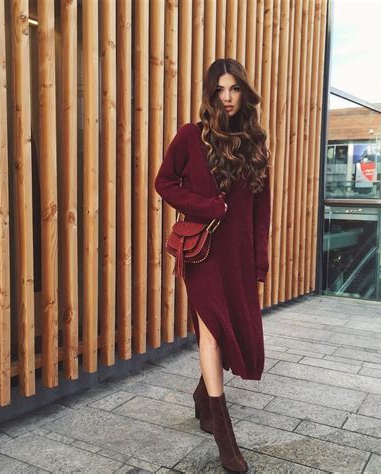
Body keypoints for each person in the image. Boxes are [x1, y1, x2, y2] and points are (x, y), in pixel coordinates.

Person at [154, 58, 271, 473]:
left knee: (234, 333)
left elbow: (261, 213)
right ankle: (225, 437)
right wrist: (206, 206)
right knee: (211, 331)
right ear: (210, 93)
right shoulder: (191, 136)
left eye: (234, 89)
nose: (227, 97)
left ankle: (203, 398)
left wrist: (260, 264)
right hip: (203, 253)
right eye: (220, 89)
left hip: (238, 258)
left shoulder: (255, 143)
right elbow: (163, 182)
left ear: (244, 92)